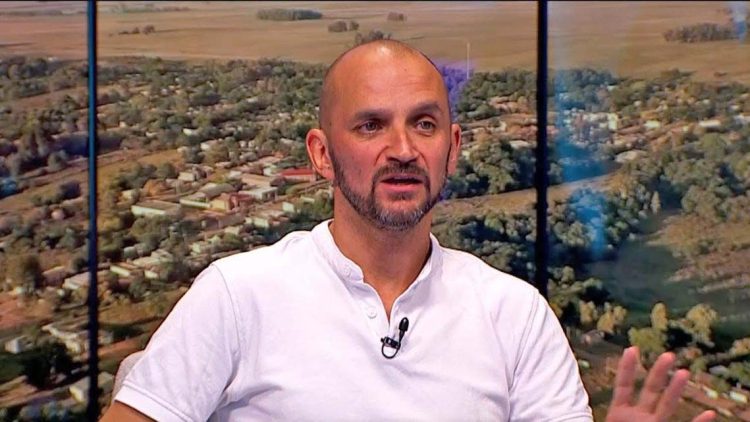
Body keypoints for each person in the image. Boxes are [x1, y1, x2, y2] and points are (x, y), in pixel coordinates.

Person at [102, 40, 716, 422]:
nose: (402, 149)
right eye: (370, 126)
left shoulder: (515, 315)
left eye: (424, 124)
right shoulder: (237, 295)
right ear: (321, 154)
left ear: (452, 148)